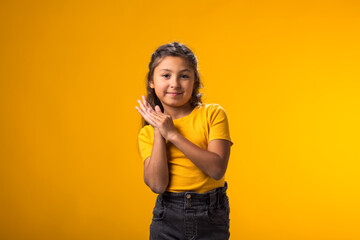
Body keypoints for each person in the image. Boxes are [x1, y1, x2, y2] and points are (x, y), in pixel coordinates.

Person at [135, 41, 234, 240]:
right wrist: (159, 132)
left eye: (184, 76)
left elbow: (216, 169)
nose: (175, 83)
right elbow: (157, 185)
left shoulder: (212, 114)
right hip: (167, 217)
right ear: (151, 82)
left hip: (211, 215)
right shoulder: (147, 134)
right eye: (165, 75)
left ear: (195, 81)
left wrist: (173, 135)